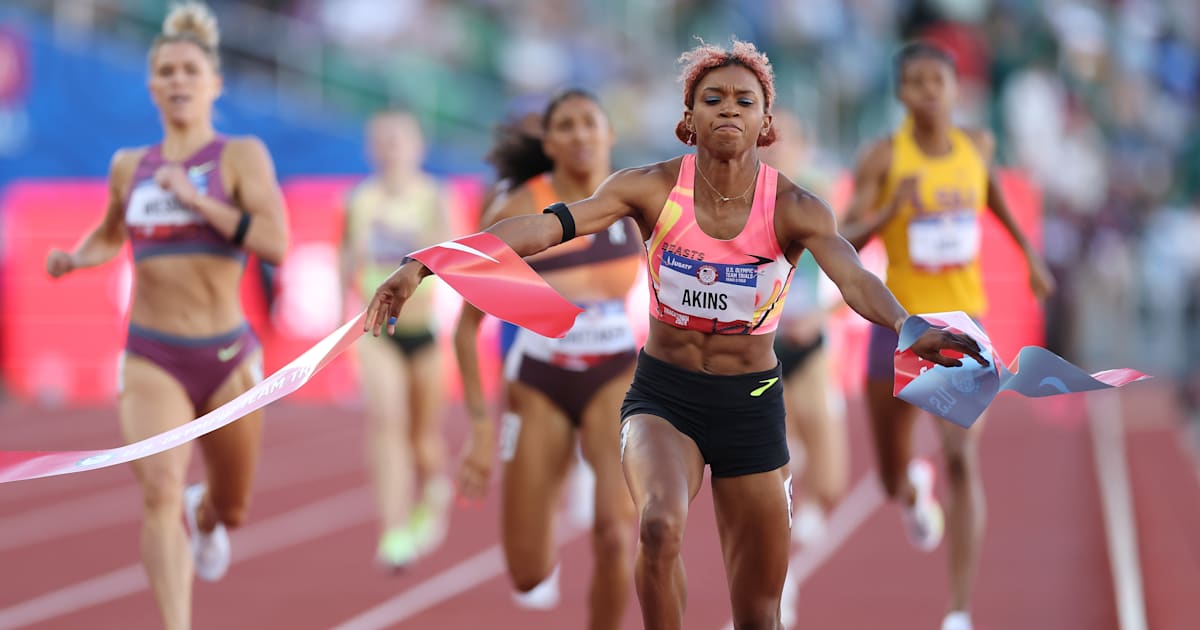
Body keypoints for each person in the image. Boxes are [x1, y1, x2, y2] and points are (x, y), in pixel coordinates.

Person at [366, 40, 988, 630]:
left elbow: (852, 276)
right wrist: (425, 263)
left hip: (750, 404)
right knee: (658, 527)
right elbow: (545, 227)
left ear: (766, 125)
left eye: (745, 101)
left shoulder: (797, 207)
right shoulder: (651, 187)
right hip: (665, 399)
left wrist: (911, 327)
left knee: (759, 614)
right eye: (712, 98)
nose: (728, 110)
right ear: (687, 120)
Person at [43, 3, 288, 629]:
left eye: (190, 70)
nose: (179, 81)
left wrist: (197, 201)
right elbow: (108, 234)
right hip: (153, 356)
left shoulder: (240, 156)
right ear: (152, 85)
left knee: (233, 508)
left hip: (229, 357)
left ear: (215, 84)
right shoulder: (131, 165)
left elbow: (274, 243)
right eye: (167, 71)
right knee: (157, 495)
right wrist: (76, 258)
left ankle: (208, 515)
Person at [838, 42, 1055, 630]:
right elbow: (844, 238)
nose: (930, 91)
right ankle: (909, 490)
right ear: (901, 94)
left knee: (962, 460)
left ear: (956, 90)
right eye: (917, 82)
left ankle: (959, 610)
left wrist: (1029, 254)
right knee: (887, 473)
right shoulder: (884, 156)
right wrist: (887, 214)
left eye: (940, 81)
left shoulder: (977, 146)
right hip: (900, 325)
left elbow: (994, 197)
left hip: (963, 324)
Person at [453, 89, 640, 628]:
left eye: (590, 123)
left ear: (609, 135)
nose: (580, 134)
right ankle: (554, 474)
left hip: (615, 375)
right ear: (550, 142)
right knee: (527, 573)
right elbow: (467, 330)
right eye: (566, 126)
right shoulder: (515, 208)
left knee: (614, 532)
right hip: (538, 381)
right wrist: (482, 431)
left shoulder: (637, 201)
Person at [339, 108, 453, 570]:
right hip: (377, 330)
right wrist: (342, 316)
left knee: (422, 438)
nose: (391, 150)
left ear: (417, 147)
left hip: (423, 330)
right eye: (383, 142)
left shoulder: (434, 197)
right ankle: (393, 529)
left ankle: (435, 488)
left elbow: (451, 257)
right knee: (387, 426)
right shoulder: (360, 200)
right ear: (372, 150)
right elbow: (345, 260)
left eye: (399, 141)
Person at [759, 110, 850, 627]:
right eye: (769, 139)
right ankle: (779, 584)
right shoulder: (744, 193)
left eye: (784, 139)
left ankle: (816, 508)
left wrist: (820, 315)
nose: (775, 146)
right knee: (777, 468)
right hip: (764, 347)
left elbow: (853, 268)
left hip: (809, 340)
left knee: (833, 479)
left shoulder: (819, 194)